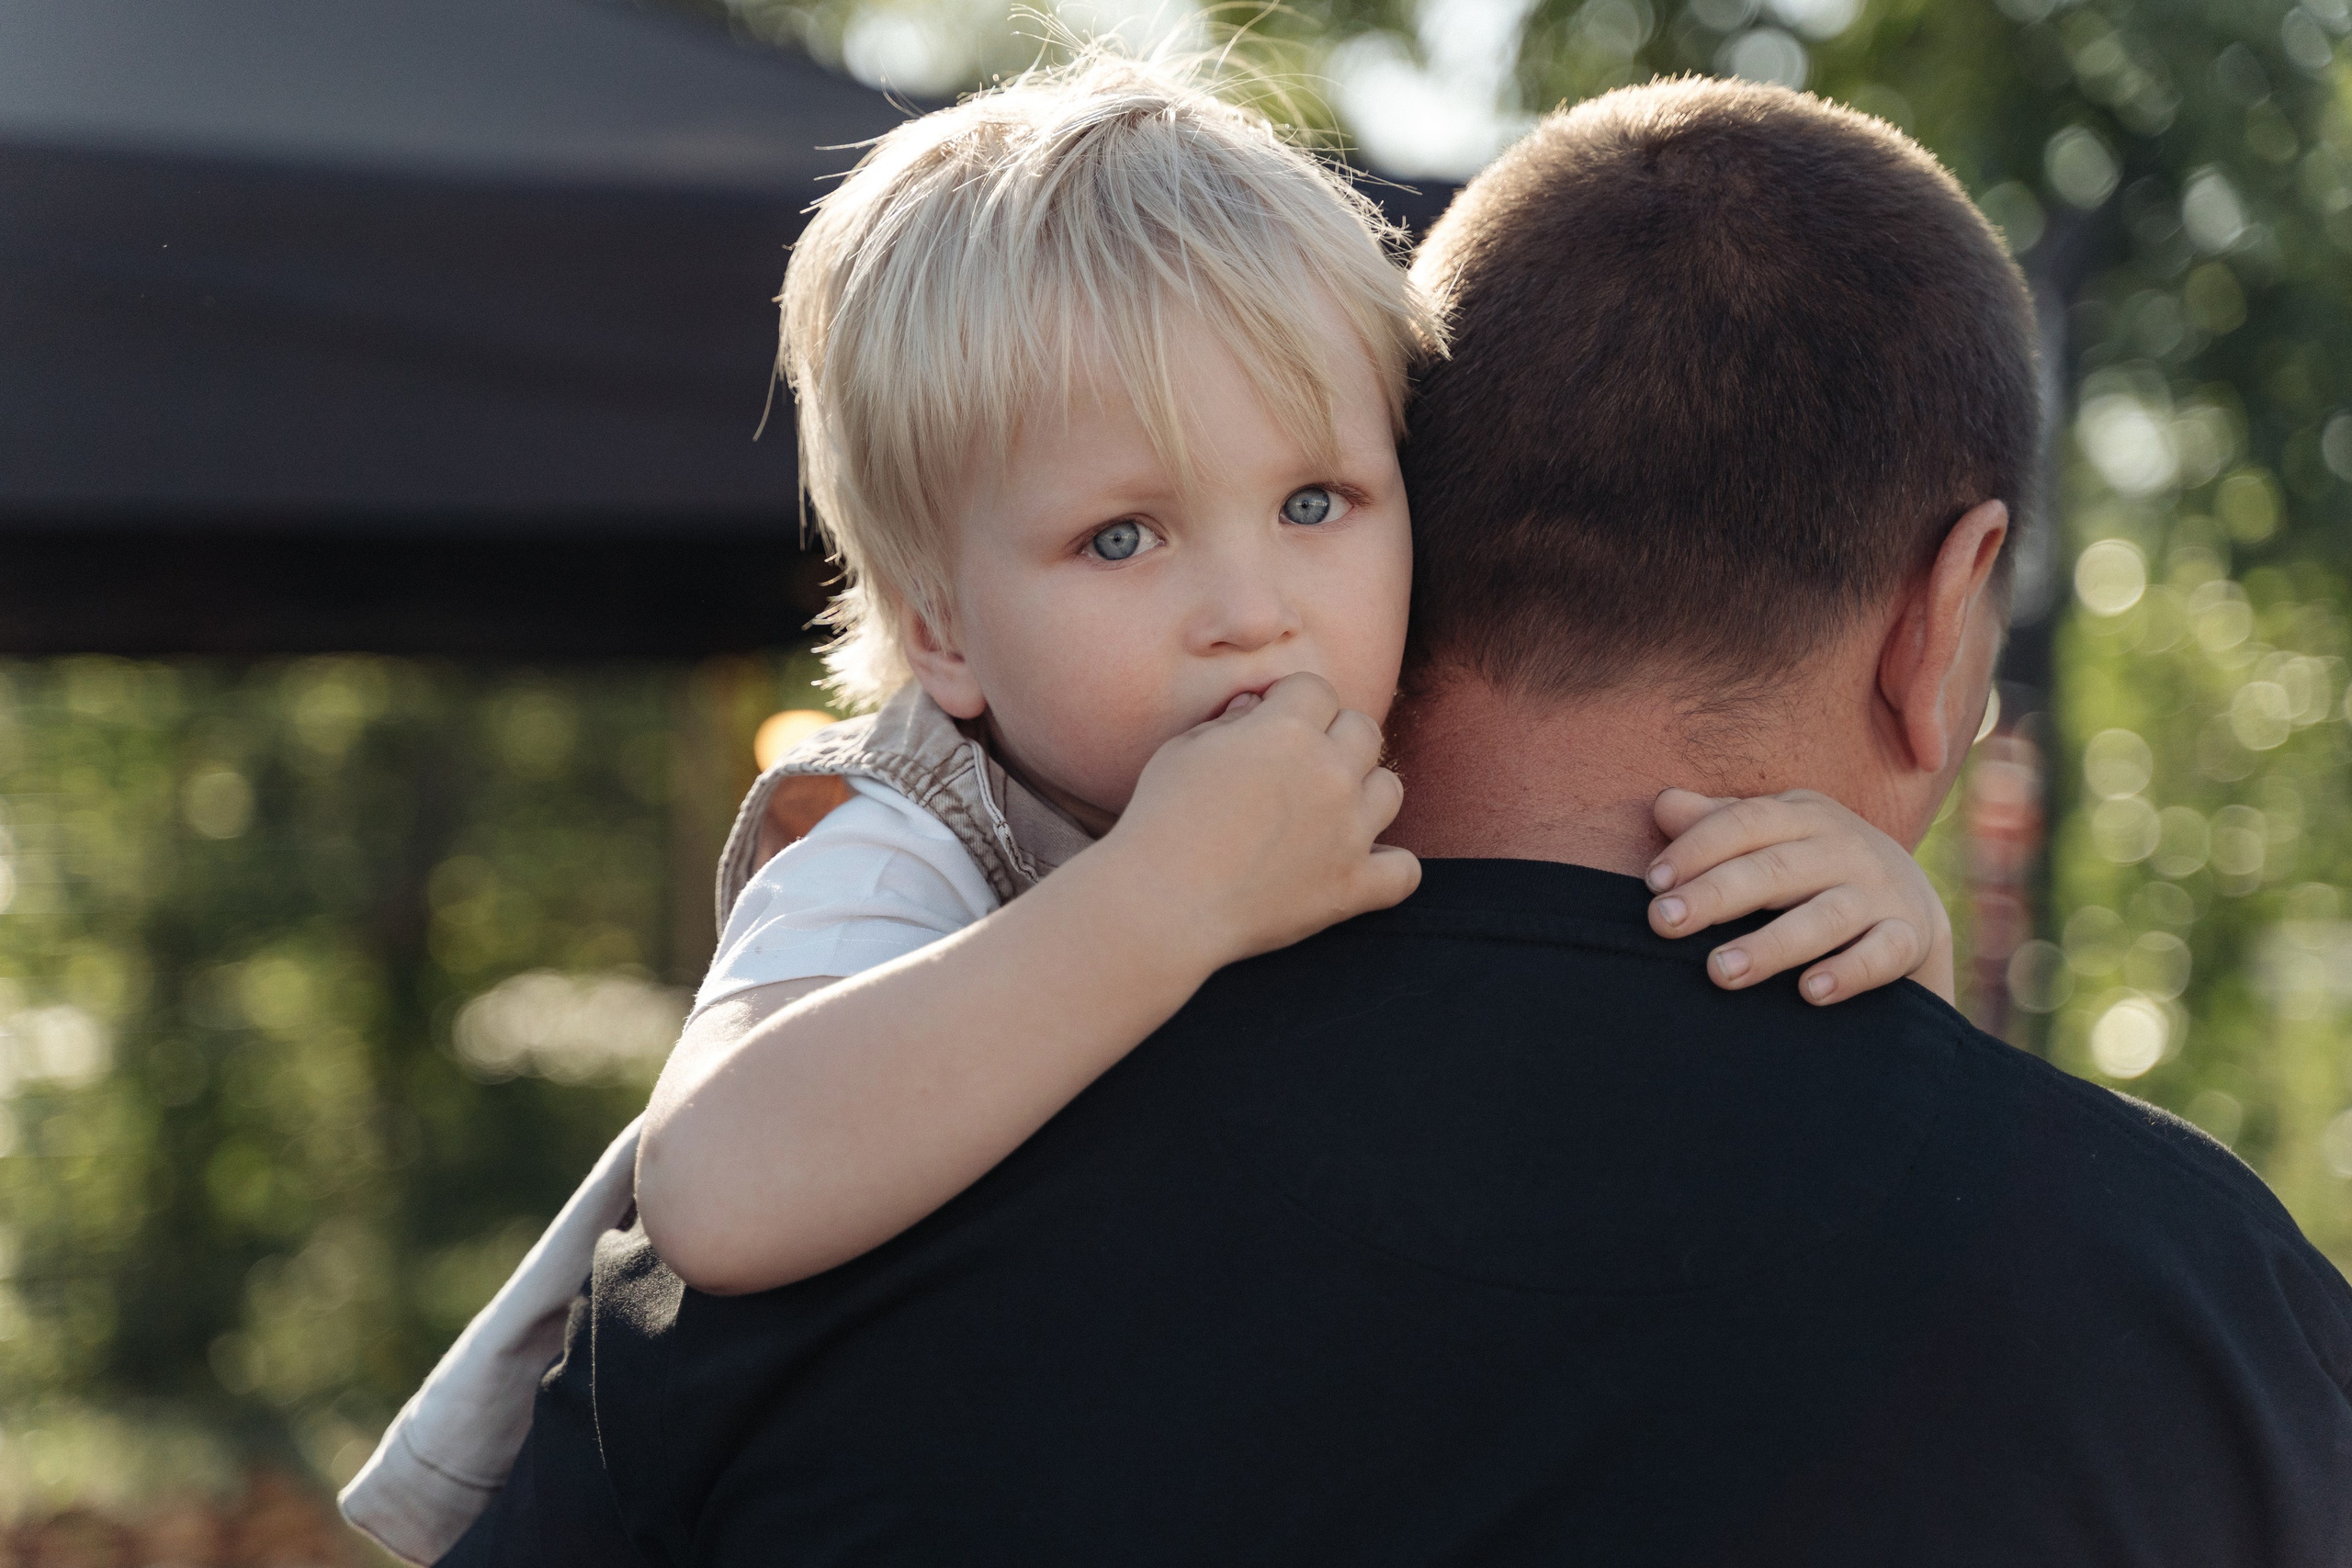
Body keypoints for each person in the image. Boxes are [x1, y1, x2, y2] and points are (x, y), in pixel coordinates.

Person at [448, 72, 2352, 1564]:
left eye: (1314, 505)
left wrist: (1887, 940)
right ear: (935, 630)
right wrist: (1160, 900)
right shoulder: (898, 853)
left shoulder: (792, 1342)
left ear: (1427, 526)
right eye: (1120, 536)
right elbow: (716, 1189)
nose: (1244, 609)